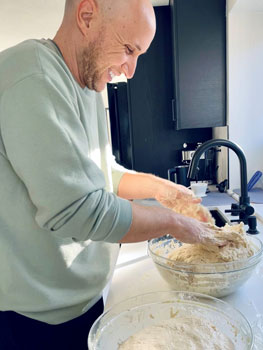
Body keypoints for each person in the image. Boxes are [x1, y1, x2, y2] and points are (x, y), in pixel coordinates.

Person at [0, 0, 223, 349]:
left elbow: (99, 174)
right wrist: (177, 224)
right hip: (37, 319)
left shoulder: (87, 85)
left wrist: (163, 189)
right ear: (86, 16)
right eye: (128, 49)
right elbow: (77, 209)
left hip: (81, 299)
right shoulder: (32, 75)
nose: (131, 70)